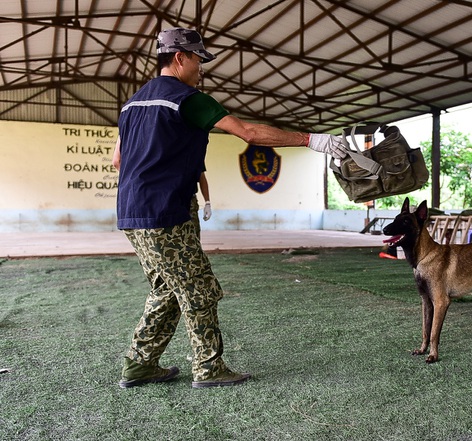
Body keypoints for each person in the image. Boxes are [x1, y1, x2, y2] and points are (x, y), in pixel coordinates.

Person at [113, 27, 348, 389]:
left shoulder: (133, 104)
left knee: (166, 287)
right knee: (199, 289)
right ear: (180, 58)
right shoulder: (187, 98)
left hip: (132, 211)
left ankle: (140, 364)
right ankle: (208, 369)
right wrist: (310, 139)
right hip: (166, 211)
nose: (201, 68)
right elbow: (249, 134)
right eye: (198, 60)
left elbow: (118, 160)